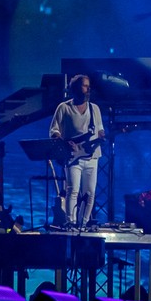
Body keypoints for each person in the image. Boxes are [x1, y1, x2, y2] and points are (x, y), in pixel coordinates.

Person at [49, 74, 106, 228]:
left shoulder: (94, 109)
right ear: (75, 88)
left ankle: (83, 224)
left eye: (88, 86)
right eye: (84, 86)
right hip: (72, 156)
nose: (88, 89)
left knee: (90, 193)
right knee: (72, 190)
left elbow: (100, 129)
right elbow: (54, 130)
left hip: (92, 156)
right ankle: (71, 223)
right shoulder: (64, 108)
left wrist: (102, 136)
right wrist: (64, 143)